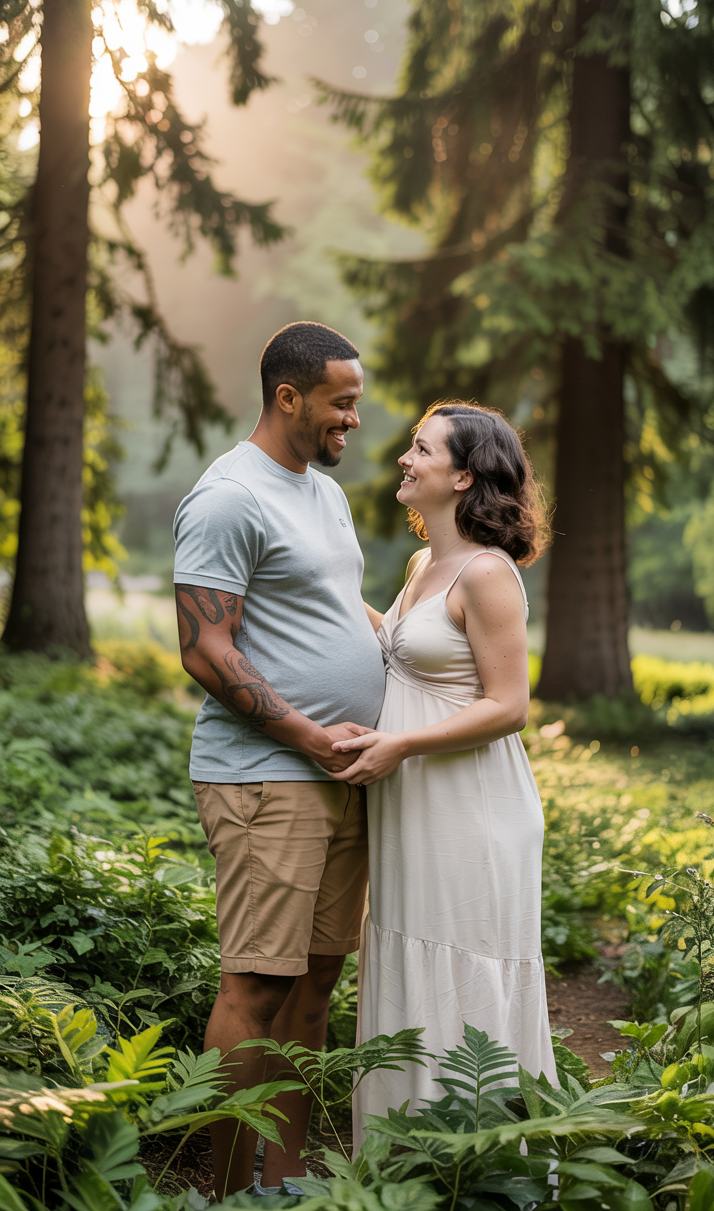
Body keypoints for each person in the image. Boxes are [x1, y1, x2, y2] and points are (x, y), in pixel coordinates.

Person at [173, 322, 385, 1199]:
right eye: (342, 403)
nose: (355, 421)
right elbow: (205, 648)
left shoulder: (321, 493)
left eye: (358, 403)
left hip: (343, 779)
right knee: (257, 986)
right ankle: (224, 1188)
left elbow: (335, 609)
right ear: (287, 397)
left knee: (315, 987)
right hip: (268, 778)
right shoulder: (229, 497)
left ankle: (285, 1179)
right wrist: (307, 733)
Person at [330, 401, 559, 1144]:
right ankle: (406, 1160)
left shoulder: (489, 573)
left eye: (421, 448)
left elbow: (509, 705)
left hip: (473, 810)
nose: (405, 457)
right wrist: (317, 581)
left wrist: (399, 746)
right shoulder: (426, 563)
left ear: (462, 476)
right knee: (406, 948)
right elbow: (399, 646)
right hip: (415, 806)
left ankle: (485, 1164)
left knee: (463, 966)